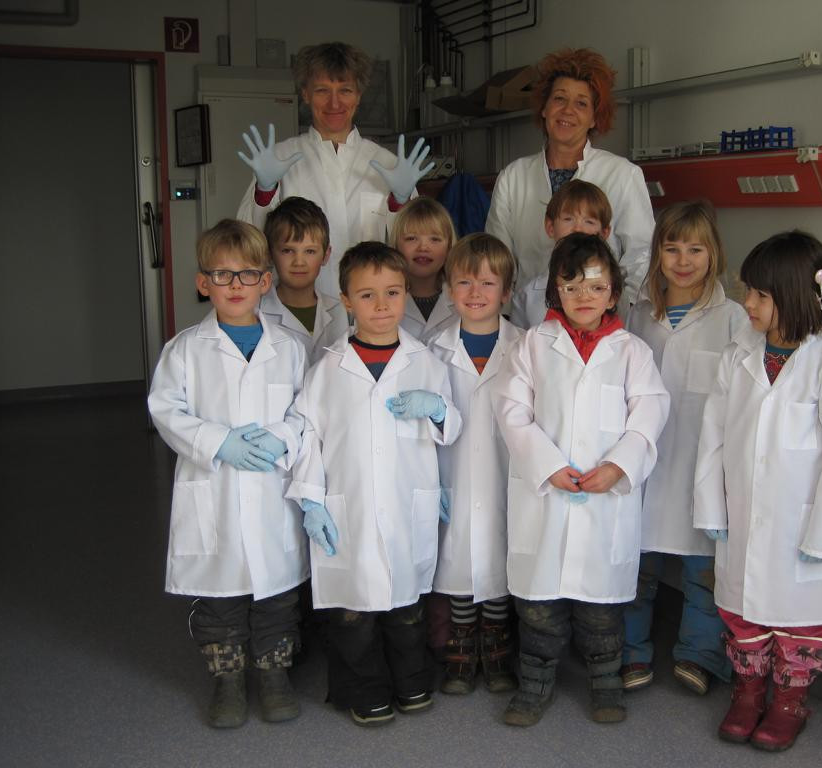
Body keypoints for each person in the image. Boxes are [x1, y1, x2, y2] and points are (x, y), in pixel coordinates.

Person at [693, 230, 822, 751]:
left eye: (760, 294)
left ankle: (789, 702)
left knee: (800, 621)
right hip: (743, 514)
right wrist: (711, 506)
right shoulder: (738, 356)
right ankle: (747, 694)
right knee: (741, 609)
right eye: (748, 290)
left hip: (803, 522)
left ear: (795, 296)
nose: (746, 302)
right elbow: (713, 436)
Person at [493, 233, 669, 726]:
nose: (584, 296)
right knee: (539, 607)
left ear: (613, 294)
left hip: (604, 498)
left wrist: (619, 466)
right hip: (545, 495)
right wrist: (547, 464)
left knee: (601, 609)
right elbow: (511, 411)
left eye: (596, 286)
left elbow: (650, 414)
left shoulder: (632, 352)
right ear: (556, 292)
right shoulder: (532, 345)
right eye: (571, 287)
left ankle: (605, 681)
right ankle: (534, 684)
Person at [287, 241, 462, 727]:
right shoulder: (327, 369)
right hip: (350, 509)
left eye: (392, 292)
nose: (382, 305)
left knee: (407, 608)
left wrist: (439, 409)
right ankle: (365, 691)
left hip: (407, 505)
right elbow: (308, 436)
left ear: (406, 293)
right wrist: (311, 501)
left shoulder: (426, 362)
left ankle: (411, 683)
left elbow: (451, 429)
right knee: (354, 612)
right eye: (367, 295)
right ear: (346, 300)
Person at [147, 219, 308, 728]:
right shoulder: (184, 349)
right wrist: (219, 443)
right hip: (212, 489)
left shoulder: (291, 347)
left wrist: (282, 436)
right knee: (220, 599)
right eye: (222, 275)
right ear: (203, 283)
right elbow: (165, 409)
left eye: (248, 274)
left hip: (273, 488)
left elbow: (308, 410)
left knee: (277, 595)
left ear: (266, 281)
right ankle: (228, 680)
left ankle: (274, 675)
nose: (235, 285)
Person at [621, 201, 747, 694]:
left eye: (695, 249)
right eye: (672, 248)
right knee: (635, 566)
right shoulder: (637, 314)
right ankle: (631, 652)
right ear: (657, 253)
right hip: (644, 459)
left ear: (713, 253)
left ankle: (700, 655)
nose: (683, 260)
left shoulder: (733, 319)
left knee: (704, 571)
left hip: (701, 461)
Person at [236, 42, 434, 297]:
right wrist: (264, 192)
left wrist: (400, 202)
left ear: (359, 95)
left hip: (371, 306)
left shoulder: (388, 165)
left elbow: (417, 249)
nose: (334, 103)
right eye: (322, 90)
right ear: (305, 94)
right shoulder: (279, 160)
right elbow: (247, 244)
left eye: (345, 90)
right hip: (295, 306)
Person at [485, 47, 654, 313]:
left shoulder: (622, 174)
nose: (568, 110)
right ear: (544, 108)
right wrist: (506, 318)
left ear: (594, 118)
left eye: (581, 103)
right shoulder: (512, 177)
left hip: (600, 320)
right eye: (559, 99)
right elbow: (498, 258)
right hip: (528, 320)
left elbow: (641, 254)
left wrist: (617, 310)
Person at [428, 233, 522, 695]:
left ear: (506, 292)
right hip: (454, 473)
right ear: (449, 289)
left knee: (503, 555)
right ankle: (463, 637)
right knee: (458, 556)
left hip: (509, 473)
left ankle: (497, 641)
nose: (476, 292)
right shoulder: (431, 349)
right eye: (464, 282)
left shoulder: (526, 347)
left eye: (488, 282)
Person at [512, 179, 612, 330]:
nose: (578, 228)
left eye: (589, 221)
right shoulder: (527, 295)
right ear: (550, 227)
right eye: (568, 219)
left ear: (604, 233)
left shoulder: (613, 290)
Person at [260, 196, 348, 361]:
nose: (299, 262)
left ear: (325, 255)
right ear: (269, 254)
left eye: (310, 251)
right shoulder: (256, 311)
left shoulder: (340, 311)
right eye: (287, 250)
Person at [390, 197, 458, 343]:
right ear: (396, 246)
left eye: (435, 239)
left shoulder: (464, 298)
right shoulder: (383, 301)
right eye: (411, 238)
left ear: (449, 247)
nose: (423, 247)